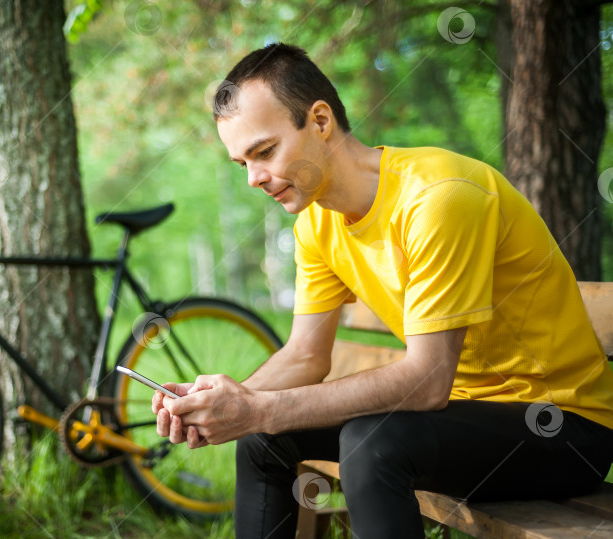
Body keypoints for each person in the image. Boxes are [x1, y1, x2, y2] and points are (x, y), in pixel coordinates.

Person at [152, 42, 613, 538]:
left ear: (321, 121)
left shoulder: (438, 198)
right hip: (458, 423)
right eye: (242, 163)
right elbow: (306, 356)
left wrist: (260, 409)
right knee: (264, 439)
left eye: (264, 152)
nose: (254, 179)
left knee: (369, 441)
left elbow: (429, 379)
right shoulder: (316, 225)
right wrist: (221, 401)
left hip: (561, 427)